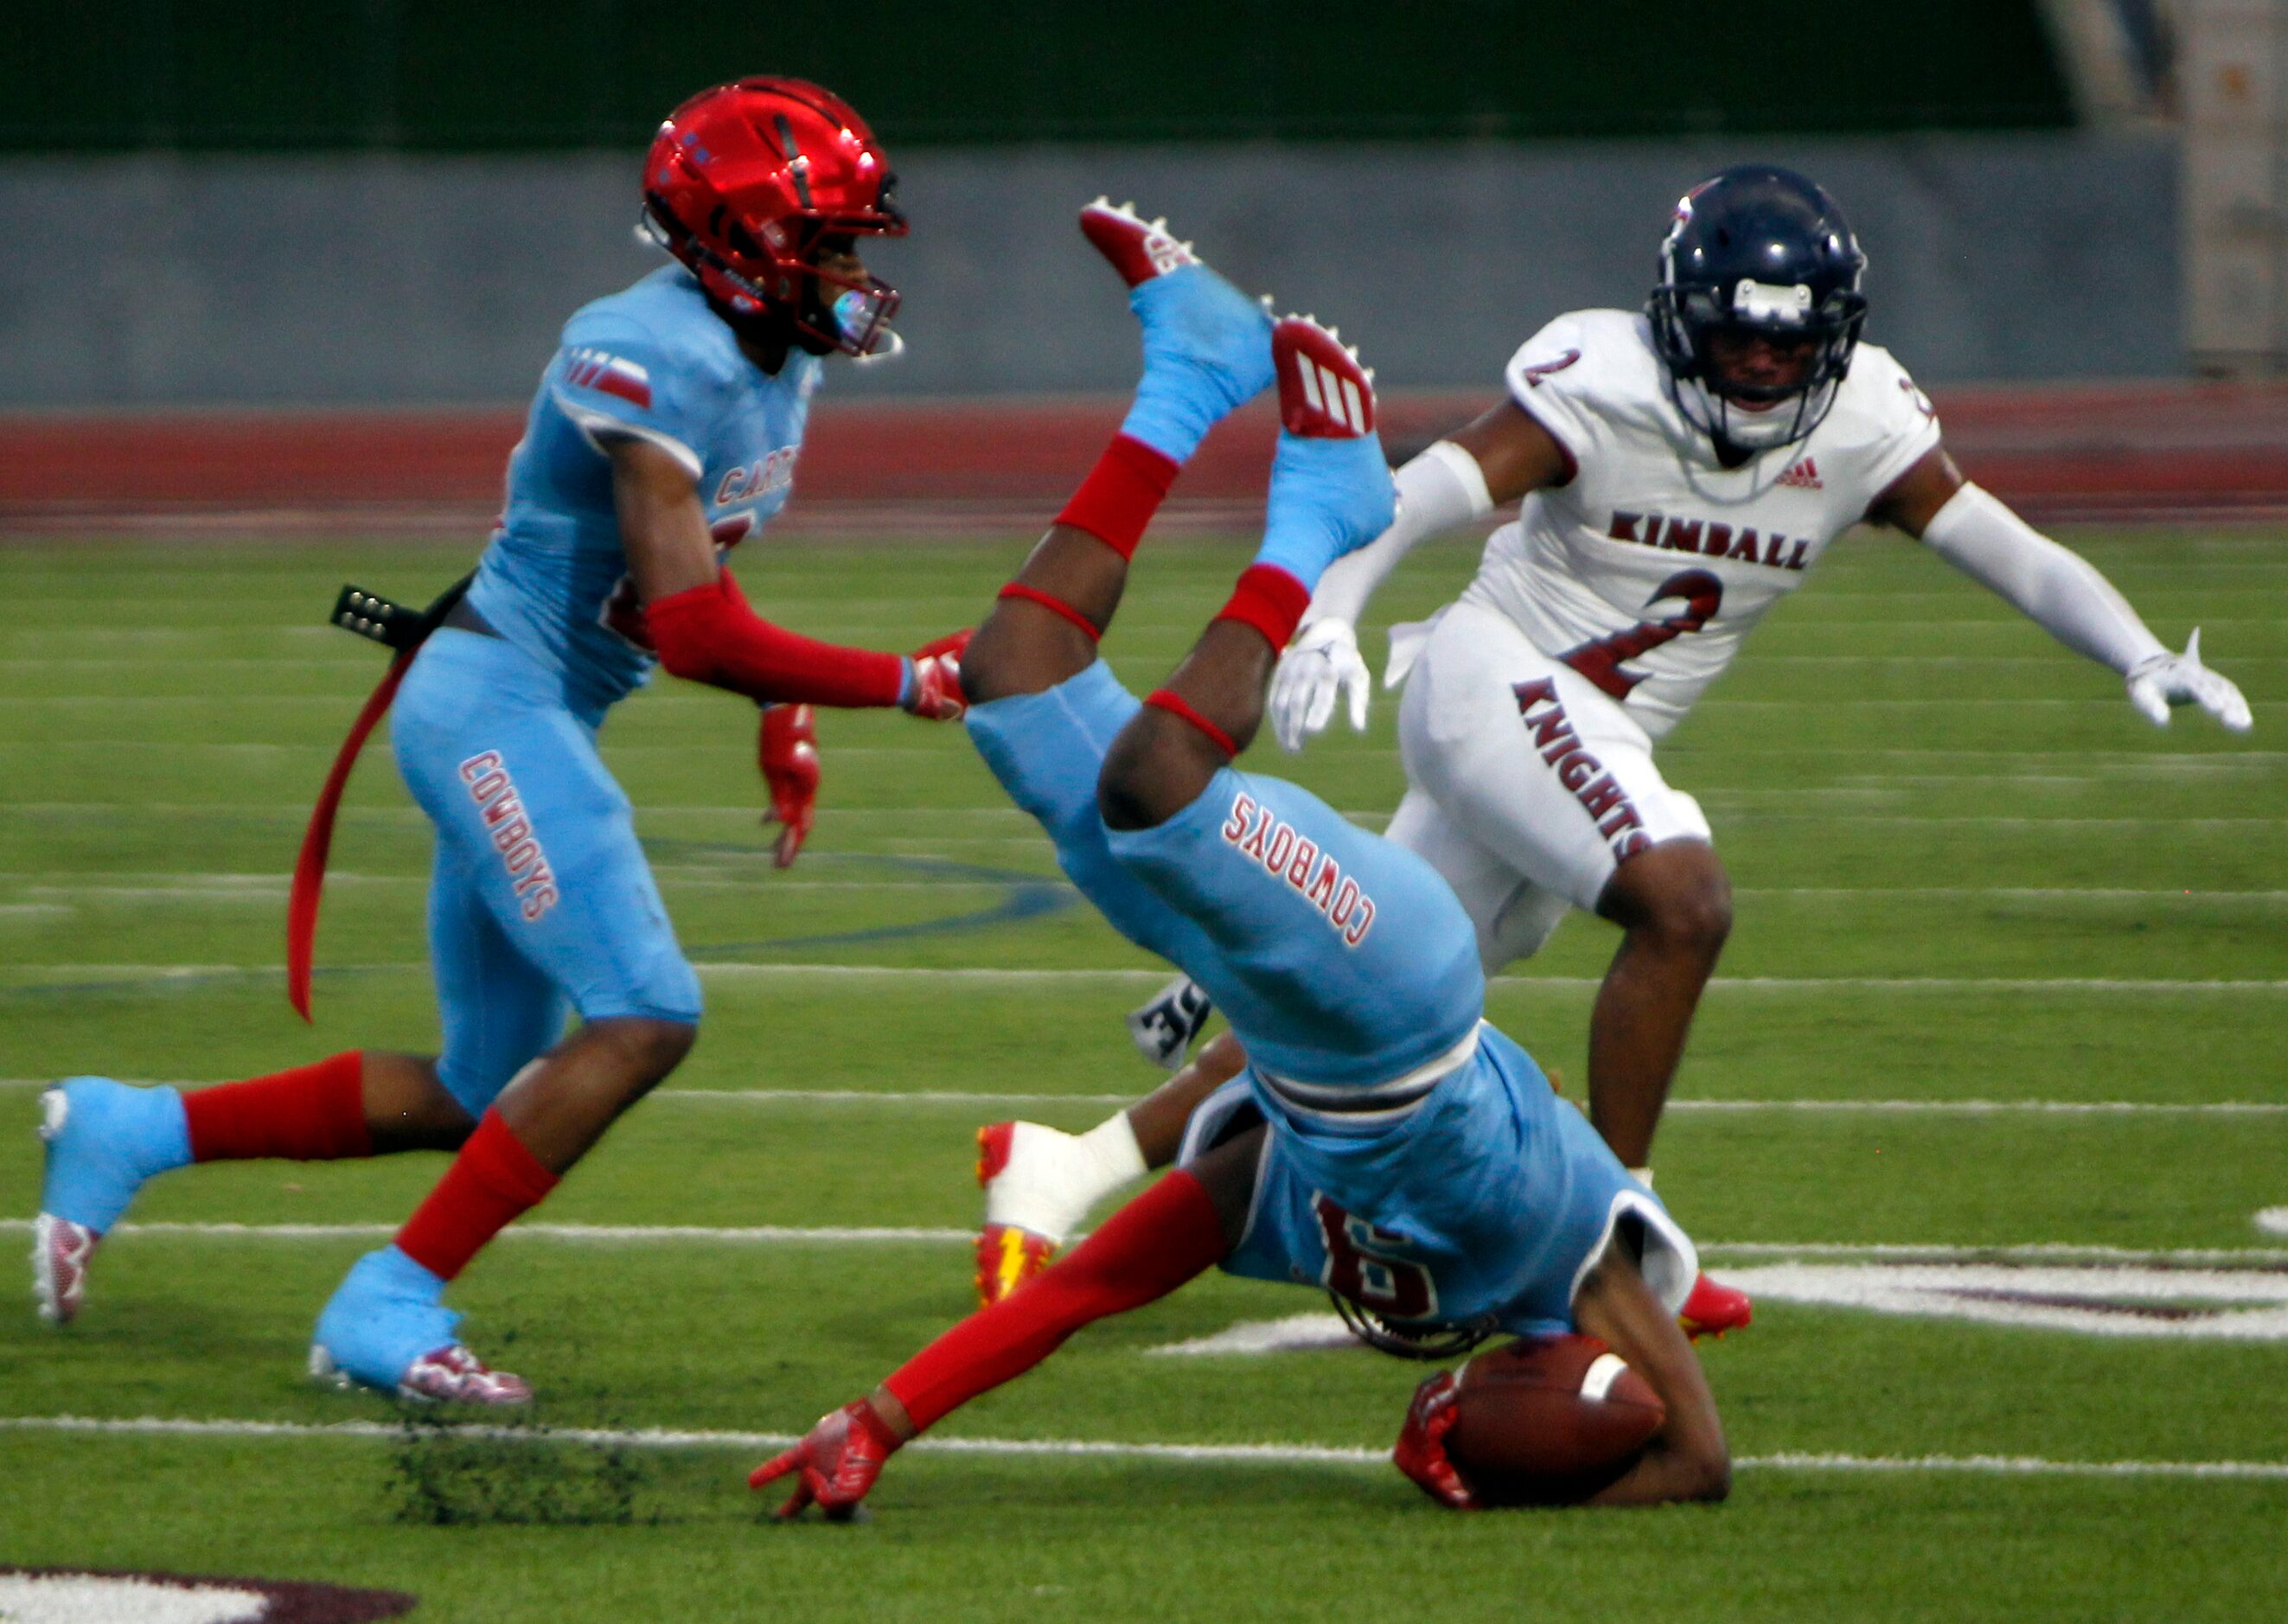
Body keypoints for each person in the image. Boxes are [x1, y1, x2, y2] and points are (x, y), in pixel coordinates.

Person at [975, 166, 2253, 1329]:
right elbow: (1415, 488)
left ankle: (1069, 1163)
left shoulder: (1861, 420)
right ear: (1679, 317)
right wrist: (1334, 611)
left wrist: (2134, 646)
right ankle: (1626, 1229)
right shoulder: (1606, 383)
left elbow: (2001, 543)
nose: (1759, 362)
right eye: (1736, 332)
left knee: (1357, 999)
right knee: (1681, 901)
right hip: (1495, 677)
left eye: (1785, 338)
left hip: (1588, 726)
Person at [752, 203, 1730, 1518]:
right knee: (1157, 778)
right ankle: (1316, 517)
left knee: (1011, 682)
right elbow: (1695, 1457)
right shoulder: (1565, 1245)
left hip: (1273, 1005)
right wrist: (1532, 1490)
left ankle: (1189, 374)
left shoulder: (1275, 1213)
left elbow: (1083, 1286)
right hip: (1399, 988)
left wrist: (872, 1423)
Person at [33, 78, 966, 1403]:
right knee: (647, 1011)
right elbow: (692, 630)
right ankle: (385, 1301)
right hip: (491, 705)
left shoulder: (777, 358)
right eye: (832, 242)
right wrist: (910, 680)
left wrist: (788, 709)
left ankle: (129, 1127)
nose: (854, 271)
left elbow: (699, 578)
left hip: (526, 707)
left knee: (479, 1087)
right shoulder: (650, 353)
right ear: (745, 241)